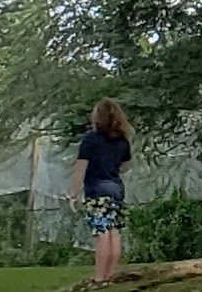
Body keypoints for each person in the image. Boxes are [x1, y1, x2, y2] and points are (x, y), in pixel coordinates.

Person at [69, 100, 133, 285]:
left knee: (101, 234)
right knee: (114, 232)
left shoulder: (91, 139)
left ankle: (99, 278)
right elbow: (126, 166)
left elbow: (80, 168)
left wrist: (74, 194)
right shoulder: (122, 141)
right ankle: (111, 275)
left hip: (97, 191)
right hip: (116, 190)